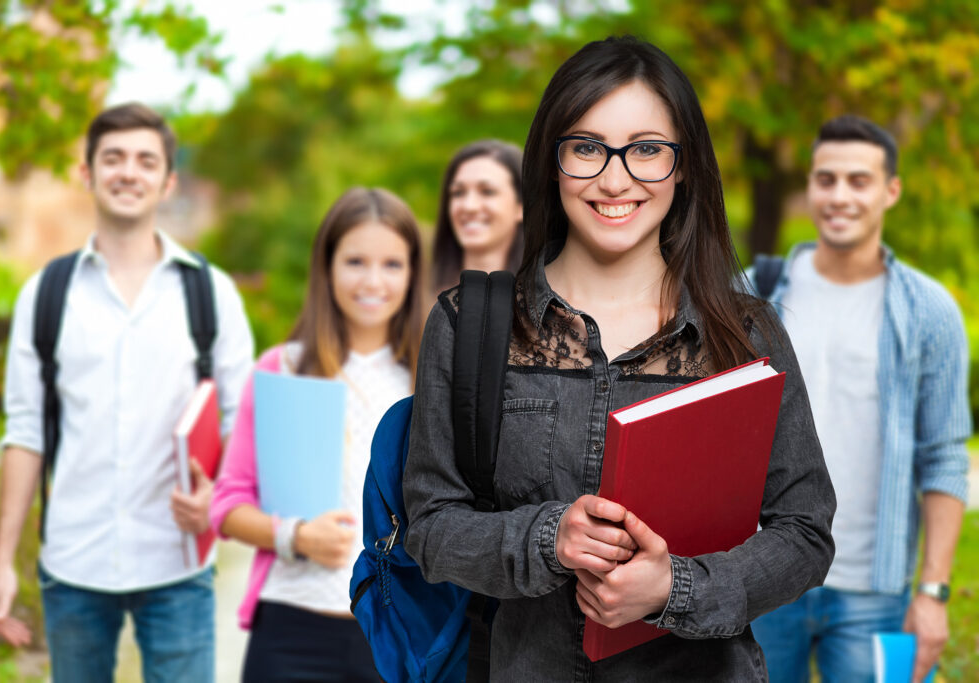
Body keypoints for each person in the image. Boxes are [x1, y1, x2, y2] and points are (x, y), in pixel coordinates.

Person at [403, 35, 836, 681]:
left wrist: (676, 588)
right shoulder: (470, 323)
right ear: (551, 162)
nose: (615, 177)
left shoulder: (746, 334)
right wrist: (549, 537)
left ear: (684, 165)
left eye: (646, 150)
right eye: (586, 147)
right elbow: (431, 528)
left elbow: (803, 532)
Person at [0, 102, 255, 682]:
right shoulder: (47, 293)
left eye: (144, 160)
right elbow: (26, 431)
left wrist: (218, 495)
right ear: (86, 173)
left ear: (168, 181)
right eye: (113, 158)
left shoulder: (212, 294)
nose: (128, 172)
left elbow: (240, 424)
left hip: (180, 562)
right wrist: (4, 558)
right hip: (73, 563)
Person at [749, 115, 971, 683]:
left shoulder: (929, 311)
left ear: (890, 190)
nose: (839, 196)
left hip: (876, 593)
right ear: (810, 185)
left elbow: (944, 457)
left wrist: (933, 593)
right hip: (762, 578)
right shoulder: (750, 295)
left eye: (858, 180)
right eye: (826, 179)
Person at [210, 187, 424, 682]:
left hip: (397, 636)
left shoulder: (430, 381)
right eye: (355, 261)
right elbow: (227, 504)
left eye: (392, 264)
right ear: (326, 267)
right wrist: (296, 536)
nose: (373, 280)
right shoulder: (284, 370)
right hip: (292, 633)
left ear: (413, 274)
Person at [431, 139, 524, 292]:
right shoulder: (418, 299)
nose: (469, 206)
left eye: (487, 191)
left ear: (522, 206)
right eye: (458, 193)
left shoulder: (549, 307)